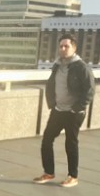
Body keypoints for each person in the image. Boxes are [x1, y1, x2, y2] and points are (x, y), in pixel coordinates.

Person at [33, 34, 94, 188]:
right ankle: (49, 172)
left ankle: (73, 176)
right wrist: (52, 104)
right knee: (47, 140)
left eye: (66, 46)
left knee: (70, 143)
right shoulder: (58, 65)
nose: (63, 49)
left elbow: (90, 90)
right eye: (61, 46)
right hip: (58, 110)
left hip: (74, 113)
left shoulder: (81, 67)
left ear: (74, 48)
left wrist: (76, 108)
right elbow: (51, 84)